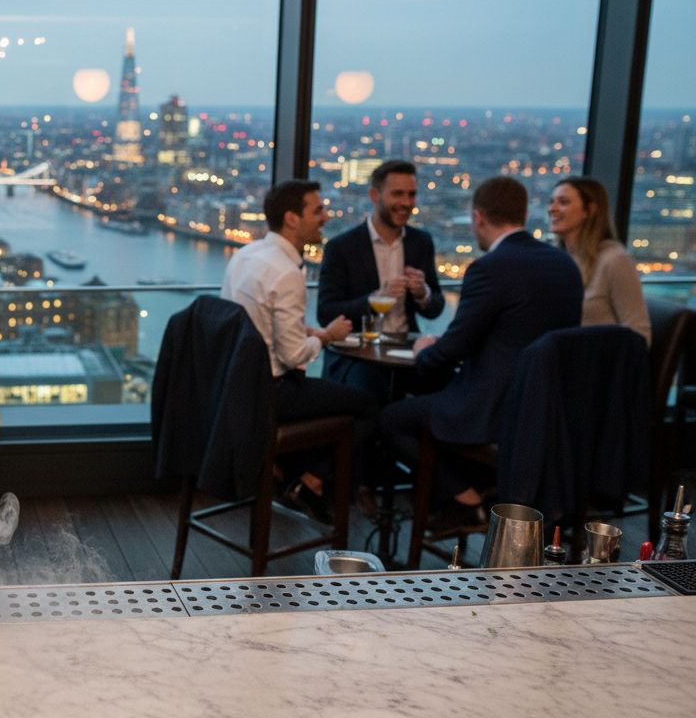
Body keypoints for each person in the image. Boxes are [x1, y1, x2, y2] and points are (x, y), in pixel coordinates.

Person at [379, 176, 583, 531]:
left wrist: (423, 351)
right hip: (551, 410)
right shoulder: (565, 265)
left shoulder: (489, 268)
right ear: (524, 212)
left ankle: (466, 499)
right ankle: (481, 490)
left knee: (393, 419)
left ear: (478, 218)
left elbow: (455, 345)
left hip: (495, 408)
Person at [221, 180, 375, 524]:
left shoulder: (246, 255)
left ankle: (283, 475)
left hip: (236, 388)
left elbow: (250, 324)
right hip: (270, 393)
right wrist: (327, 336)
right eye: (317, 210)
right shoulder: (287, 272)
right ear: (292, 218)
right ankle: (309, 483)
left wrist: (307, 333)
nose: (325, 216)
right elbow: (293, 357)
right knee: (367, 406)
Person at [317, 160, 445, 398]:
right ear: (375, 195)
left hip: (406, 350)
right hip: (356, 356)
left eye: (411, 195)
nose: (406, 203)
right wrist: (374, 300)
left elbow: (435, 307)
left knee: (448, 380)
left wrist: (422, 293)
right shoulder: (342, 247)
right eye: (398, 194)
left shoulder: (421, 242)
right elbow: (325, 312)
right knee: (371, 389)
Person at [548, 176, 650, 345]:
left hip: (593, 363)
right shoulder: (559, 259)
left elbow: (639, 334)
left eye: (563, 202)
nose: (552, 208)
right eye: (551, 202)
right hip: (559, 357)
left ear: (589, 210)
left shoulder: (615, 260)